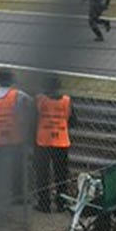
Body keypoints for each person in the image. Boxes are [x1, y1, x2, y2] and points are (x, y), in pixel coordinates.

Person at [0, 68, 29, 203]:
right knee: (17, 167)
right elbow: (30, 107)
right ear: (11, 81)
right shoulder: (18, 95)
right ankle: (17, 196)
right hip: (14, 136)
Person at [33, 76, 76, 212]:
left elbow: (32, 120)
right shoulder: (66, 101)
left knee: (42, 174)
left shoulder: (39, 100)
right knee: (61, 174)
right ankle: (61, 203)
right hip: (61, 141)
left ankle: (44, 204)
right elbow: (73, 121)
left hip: (42, 141)